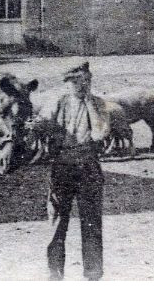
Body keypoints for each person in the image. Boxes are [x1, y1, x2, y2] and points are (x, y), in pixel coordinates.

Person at [39, 61, 109, 280]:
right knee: (57, 220)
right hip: (63, 168)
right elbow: (42, 123)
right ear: (67, 83)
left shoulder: (98, 104)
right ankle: (54, 273)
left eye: (86, 81)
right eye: (76, 82)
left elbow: (99, 134)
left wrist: (89, 104)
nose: (82, 86)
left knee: (91, 222)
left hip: (89, 167)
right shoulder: (58, 103)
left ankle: (93, 274)